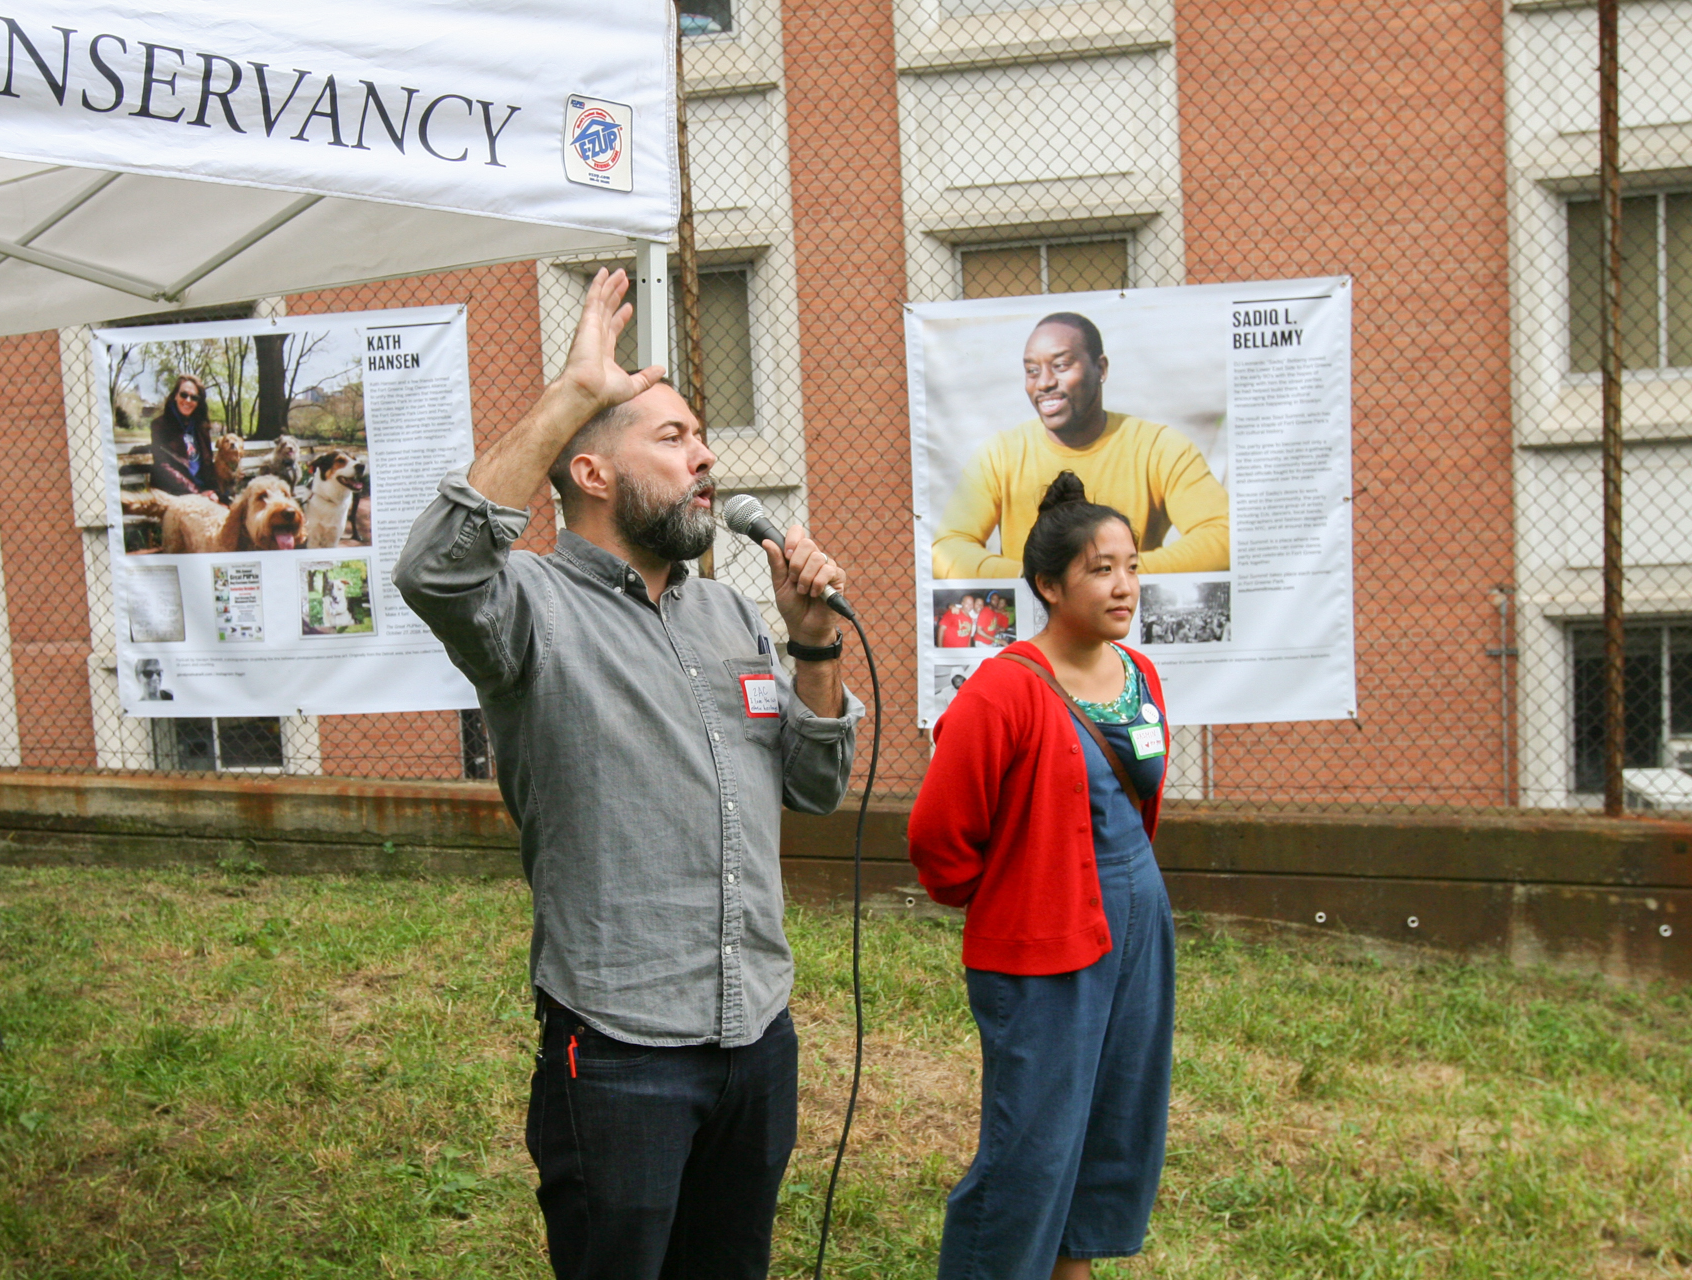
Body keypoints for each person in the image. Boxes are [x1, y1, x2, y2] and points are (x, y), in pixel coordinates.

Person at [394, 269, 862, 1280]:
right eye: (674, 438)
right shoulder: (528, 607)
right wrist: (572, 394)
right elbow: (432, 568)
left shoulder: (731, 614)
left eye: (702, 438)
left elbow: (816, 789)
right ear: (595, 474)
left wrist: (813, 647)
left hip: (755, 1035)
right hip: (618, 1053)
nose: (705, 458)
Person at [909, 471, 1174, 1280]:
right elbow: (937, 836)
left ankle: (1072, 1268)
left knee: (1114, 1124)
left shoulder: (1140, 675)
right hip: (1042, 942)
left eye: (1130, 564)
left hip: (1137, 928)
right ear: (1048, 586)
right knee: (1033, 1144)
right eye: (1100, 568)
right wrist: (1017, 896)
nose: (1123, 584)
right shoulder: (1004, 690)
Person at [931, 313, 1228, 578]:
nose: (1044, 382)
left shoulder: (1160, 447)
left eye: (1060, 365)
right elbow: (948, 546)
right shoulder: (999, 454)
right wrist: (1031, 578)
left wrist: (1114, 574)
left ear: (1100, 369)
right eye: (1032, 370)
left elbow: (1223, 536)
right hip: (1038, 619)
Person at [149, 375, 222, 500]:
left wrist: (215, 493)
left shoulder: (201, 427)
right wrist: (197, 494)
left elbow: (207, 465)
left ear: (198, 402)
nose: (188, 400)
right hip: (174, 493)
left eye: (194, 397)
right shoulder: (160, 425)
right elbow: (163, 467)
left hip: (203, 492)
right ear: (175, 396)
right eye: (184, 395)